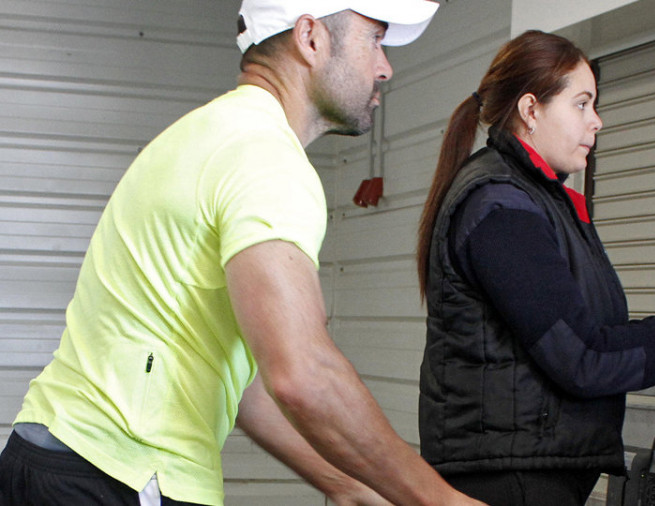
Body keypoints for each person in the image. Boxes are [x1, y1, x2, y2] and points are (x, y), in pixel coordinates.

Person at [0, 2, 485, 505]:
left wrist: (345, 484)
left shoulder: (204, 133)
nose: (385, 67)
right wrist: (441, 500)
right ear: (310, 37)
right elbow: (303, 373)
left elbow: (246, 381)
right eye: (374, 40)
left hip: (48, 456)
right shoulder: (265, 157)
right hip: (120, 472)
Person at [416, 30, 655, 506]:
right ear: (531, 110)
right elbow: (585, 359)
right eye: (582, 104)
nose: (597, 122)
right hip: (509, 483)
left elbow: (591, 338)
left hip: (529, 473)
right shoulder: (501, 207)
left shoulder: (538, 201)